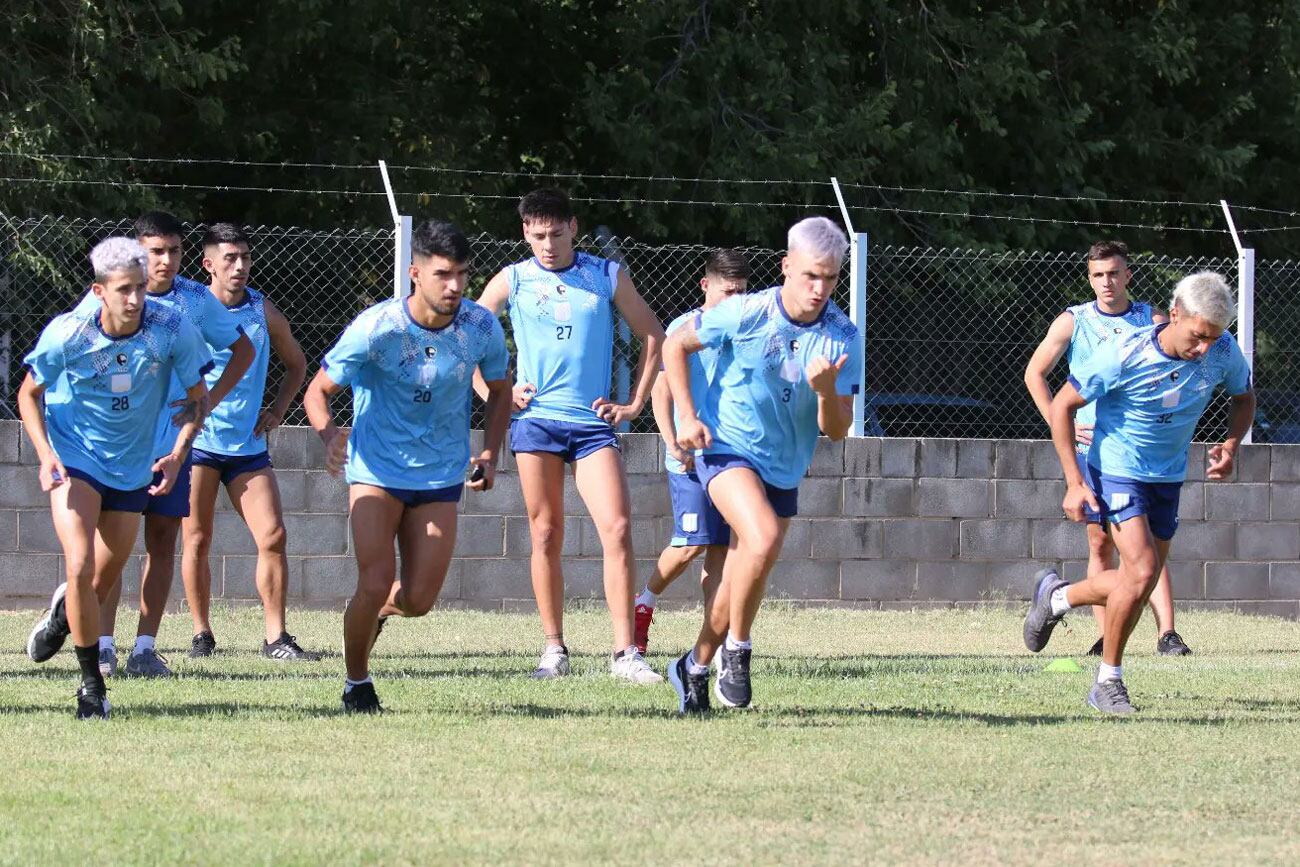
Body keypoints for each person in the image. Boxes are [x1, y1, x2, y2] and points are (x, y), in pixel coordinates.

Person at [303, 220, 513, 713]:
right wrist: (330, 434)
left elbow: (500, 390)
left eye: (462, 274)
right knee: (373, 581)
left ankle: (371, 617)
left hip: (440, 477)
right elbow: (318, 391)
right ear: (415, 273)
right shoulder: (377, 328)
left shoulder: (480, 327)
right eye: (443, 274)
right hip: (375, 472)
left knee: (418, 600)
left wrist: (489, 452)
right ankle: (357, 683)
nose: (456, 286)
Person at [1023, 272, 1255, 714]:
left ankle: (1057, 597)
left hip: (1167, 476)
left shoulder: (1222, 352)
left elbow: (1244, 396)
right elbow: (1062, 405)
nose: (1204, 348)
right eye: (1197, 336)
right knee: (1143, 567)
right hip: (1115, 470)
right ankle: (1107, 681)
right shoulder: (1124, 353)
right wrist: (1074, 482)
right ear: (1175, 314)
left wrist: (1230, 444)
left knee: (1138, 578)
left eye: (1213, 338)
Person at [663, 217, 861, 713]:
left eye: (831, 278)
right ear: (786, 266)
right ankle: (740, 649)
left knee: (740, 577)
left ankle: (695, 666)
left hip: (785, 465)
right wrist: (686, 415)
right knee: (764, 536)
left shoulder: (843, 335)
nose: (820, 289)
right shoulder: (746, 312)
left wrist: (822, 394)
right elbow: (675, 344)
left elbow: (837, 429)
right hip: (726, 446)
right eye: (811, 275)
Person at [474, 188, 665, 683]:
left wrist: (635, 402)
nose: (548, 245)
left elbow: (653, 333)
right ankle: (554, 649)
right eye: (538, 236)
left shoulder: (604, 275)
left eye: (556, 234)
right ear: (525, 234)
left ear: (573, 228)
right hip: (535, 422)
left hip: (591, 426)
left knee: (618, 528)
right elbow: (465, 338)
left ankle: (625, 654)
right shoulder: (513, 278)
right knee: (545, 533)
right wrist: (496, 392)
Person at [21, 237, 211, 719]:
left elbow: (197, 396)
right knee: (82, 565)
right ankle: (91, 689)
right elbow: (28, 394)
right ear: (99, 291)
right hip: (75, 459)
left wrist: (177, 451)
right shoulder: (69, 333)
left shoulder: (171, 327)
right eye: (124, 289)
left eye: (141, 289)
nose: (135, 300)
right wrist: (45, 455)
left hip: (133, 466)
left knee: (99, 581)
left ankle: (63, 615)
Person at [89, 212, 255, 678]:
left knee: (162, 543)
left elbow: (243, 350)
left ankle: (145, 648)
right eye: (155, 251)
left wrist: (207, 403)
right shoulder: (103, 297)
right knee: (113, 547)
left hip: (172, 445)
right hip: (119, 447)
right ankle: (103, 645)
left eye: (174, 251)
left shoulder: (196, 302)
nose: (165, 261)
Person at [1025, 240, 1191, 656]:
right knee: (1101, 544)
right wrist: (1058, 420)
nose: (1107, 282)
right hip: (1093, 450)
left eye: (1114, 273)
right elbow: (1035, 373)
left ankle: (1167, 633)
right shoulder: (1074, 321)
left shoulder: (1150, 319)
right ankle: (1106, 636)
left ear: (1128, 275)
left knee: (1150, 544)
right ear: (1089, 278)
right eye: (1098, 275)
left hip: (1140, 447)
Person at [181, 223, 318, 660]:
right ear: (208, 264)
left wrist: (278, 411)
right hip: (198, 444)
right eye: (229, 259)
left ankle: (276, 638)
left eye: (244, 257)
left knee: (274, 535)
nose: (239, 266)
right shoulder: (190, 310)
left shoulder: (262, 309)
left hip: (247, 448)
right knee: (197, 539)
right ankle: (202, 634)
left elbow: (297, 364)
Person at [634, 249, 750, 654]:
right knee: (689, 546)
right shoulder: (685, 330)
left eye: (741, 293)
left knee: (721, 552)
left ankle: (714, 645)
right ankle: (643, 604)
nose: (735, 301)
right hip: (688, 459)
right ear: (705, 286)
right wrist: (672, 440)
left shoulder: (747, 331)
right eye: (727, 292)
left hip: (731, 460)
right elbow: (659, 392)